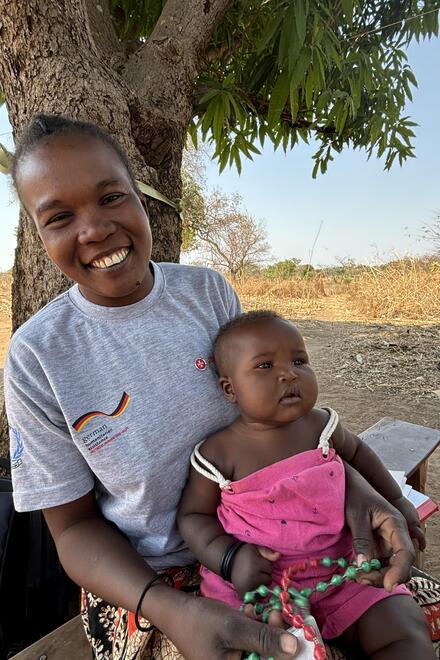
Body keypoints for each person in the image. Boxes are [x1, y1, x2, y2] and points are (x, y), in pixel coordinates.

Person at [3, 113, 426, 660]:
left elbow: (273, 415)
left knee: (405, 622)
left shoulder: (206, 294)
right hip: (154, 580)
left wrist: (359, 488)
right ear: (38, 236)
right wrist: (172, 609)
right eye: (60, 217)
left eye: (111, 197)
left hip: (294, 533)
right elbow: (73, 530)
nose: (94, 229)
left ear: (140, 196)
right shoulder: (38, 356)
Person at [178, 311, 435, 658]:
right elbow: (193, 517)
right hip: (262, 586)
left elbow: (362, 457)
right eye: (265, 366)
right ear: (230, 389)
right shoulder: (217, 455)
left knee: (403, 626)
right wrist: (230, 558)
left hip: (345, 572)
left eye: (299, 361)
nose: (289, 374)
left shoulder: (321, 427)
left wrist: (397, 502)